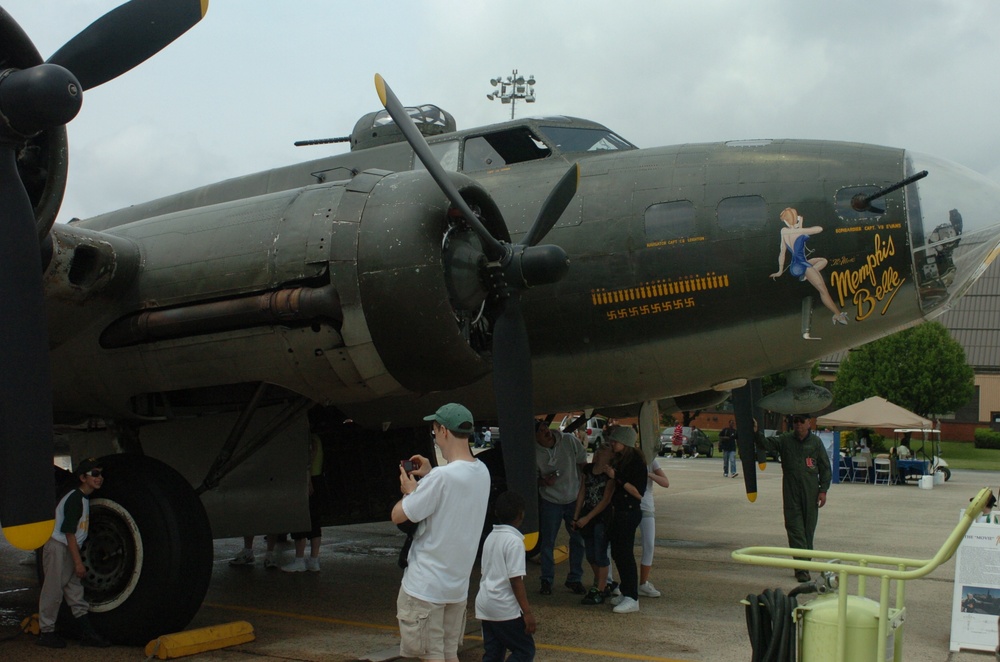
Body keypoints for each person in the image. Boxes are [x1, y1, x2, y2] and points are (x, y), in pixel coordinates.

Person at [391, 403, 490, 662]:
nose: (434, 434)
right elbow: (455, 486)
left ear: (443, 430)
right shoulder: (482, 472)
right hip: (455, 590)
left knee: (430, 657)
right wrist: (431, 474)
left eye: (434, 429)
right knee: (448, 655)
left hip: (425, 588)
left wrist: (410, 491)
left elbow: (398, 515)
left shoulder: (441, 479)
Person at [37, 458, 111, 648]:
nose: (99, 478)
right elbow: (69, 533)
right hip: (59, 548)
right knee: (53, 590)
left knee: (75, 590)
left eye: (100, 474)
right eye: (95, 474)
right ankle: (46, 632)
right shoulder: (75, 499)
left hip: (68, 548)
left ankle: (88, 633)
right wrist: (78, 563)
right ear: (82, 478)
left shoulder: (83, 498)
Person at [754, 414, 832, 582]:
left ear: (809, 423)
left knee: (808, 530)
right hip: (791, 490)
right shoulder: (785, 440)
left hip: (810, 491)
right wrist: (755, 432)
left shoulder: (816, 443)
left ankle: (806, 564)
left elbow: (825, 467)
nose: (798, 424)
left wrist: (823, 490)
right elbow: (766, 444)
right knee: (795, 529)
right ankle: (801, 568)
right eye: (795, 421)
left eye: (801, 421)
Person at [476, 491, 536, 662]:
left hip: (485, 604)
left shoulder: (491, 537)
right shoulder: (514, 541)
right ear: (521, 514)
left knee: (493, 654)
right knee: (525, 650)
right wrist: (527, 612)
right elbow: (516, 580)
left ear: (496, 513)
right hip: (503, 606)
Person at [534, 418, 588, 596]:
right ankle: (547, 580)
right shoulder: (534, 452)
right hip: (551, 500)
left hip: (573, 497)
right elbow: (533, 478)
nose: (546, 432)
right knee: (548, 541)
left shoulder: (568, 441)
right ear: (535, 437)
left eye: (546, 428)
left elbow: (582, 464)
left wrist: (585, 489)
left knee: (578, 539)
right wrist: (544, 481)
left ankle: (574, 578)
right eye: (541, 432)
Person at [769, 207, 849, 325]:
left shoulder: (784, 231)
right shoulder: (799, 231)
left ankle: (808, 275)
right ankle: (837, 315)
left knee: (822, 261)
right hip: (802, 265)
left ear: (786, 221)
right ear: (795, 219)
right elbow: (819, 229)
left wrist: (780, 271)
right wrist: (799, 227)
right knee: (823, 290)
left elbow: (782, 252)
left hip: (796, 265)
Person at [605, 425, 647, 613]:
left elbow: (638, 493)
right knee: (618, 553)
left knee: (625, 554)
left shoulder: (637, 462)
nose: (612, 443)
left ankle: (633, 597)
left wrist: (617, 477)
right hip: (618, 511)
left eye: (616, 441)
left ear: (625, 443)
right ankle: (626, 590)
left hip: (629, 512)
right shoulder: (621, 460)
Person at [573, 442, 615, 604]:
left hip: (601, 517)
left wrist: (587, 517)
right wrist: (576, 516)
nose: (600, 451)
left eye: (606, 449)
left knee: (600, 553)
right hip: (586, 514)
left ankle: (601, 587)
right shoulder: (588, 470)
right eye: (600, 449)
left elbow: (605, 500)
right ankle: (600, 582)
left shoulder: (609, 475)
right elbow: (582, 492)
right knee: (590, 554)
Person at [283, 433, 325, 572]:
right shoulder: (316, 437)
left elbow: (310, 456)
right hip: (317, 479)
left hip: (306, 480)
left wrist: (308, 479)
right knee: (315, 521)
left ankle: (299, 560)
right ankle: (314, 560)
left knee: (300, 519)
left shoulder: (307, 438)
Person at [638, 454, 670, 598]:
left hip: (646, 506)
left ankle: (643, 583)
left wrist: (649, 474)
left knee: (649, 544)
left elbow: (665, 482)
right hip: (628, 506)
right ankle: (612, 581)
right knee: (621, 545)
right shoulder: (624, 458)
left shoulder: (651, 461)